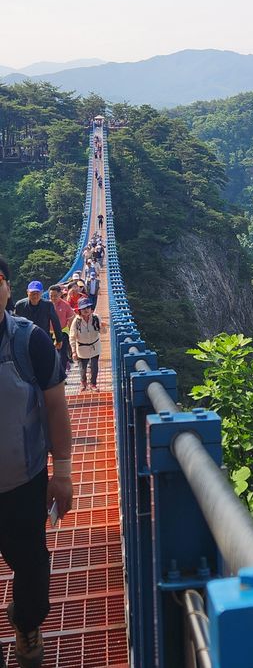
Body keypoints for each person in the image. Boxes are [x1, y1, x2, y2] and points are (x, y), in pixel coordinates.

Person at [0, 255, 73, 668]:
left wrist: (62, 474)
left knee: (32, 571)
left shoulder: (30, 341)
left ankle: (26, 623)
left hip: (24, 483)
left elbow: (57, 407)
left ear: (8, 288)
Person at [14, 282, 63, 351]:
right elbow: (15, 324)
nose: (35, 296)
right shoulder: (20, 306)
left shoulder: (48, 305)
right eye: (32, 293)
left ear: (42, 292)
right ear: (27, 292)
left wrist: (59, 339)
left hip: (43, 340)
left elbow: (55, 322)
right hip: (25, 341)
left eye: (37, 293)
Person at [69, 297, 105, 391]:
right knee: (83, 368)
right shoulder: (76, 321)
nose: (86, 310)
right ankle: (83, 383)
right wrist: (73, 351)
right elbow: (72, 337)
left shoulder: (96, 318)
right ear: (79, 310)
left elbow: (103, 332)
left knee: (94, 366)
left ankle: (93, 384)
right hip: (82, 348)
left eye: (88, 307)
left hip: (94, 346)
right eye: (83, 308)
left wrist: (103, 327)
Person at [48, 286, 75, 371]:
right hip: (49, 333)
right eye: (51, 296)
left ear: (60, 294)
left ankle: (62, 375)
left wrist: (72, 334)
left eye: (55, 295)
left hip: (62, 332)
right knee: (50, 355)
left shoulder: (65, 305)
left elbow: (71, 319)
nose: (53, 298)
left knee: (62, 355)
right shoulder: (46, 305)